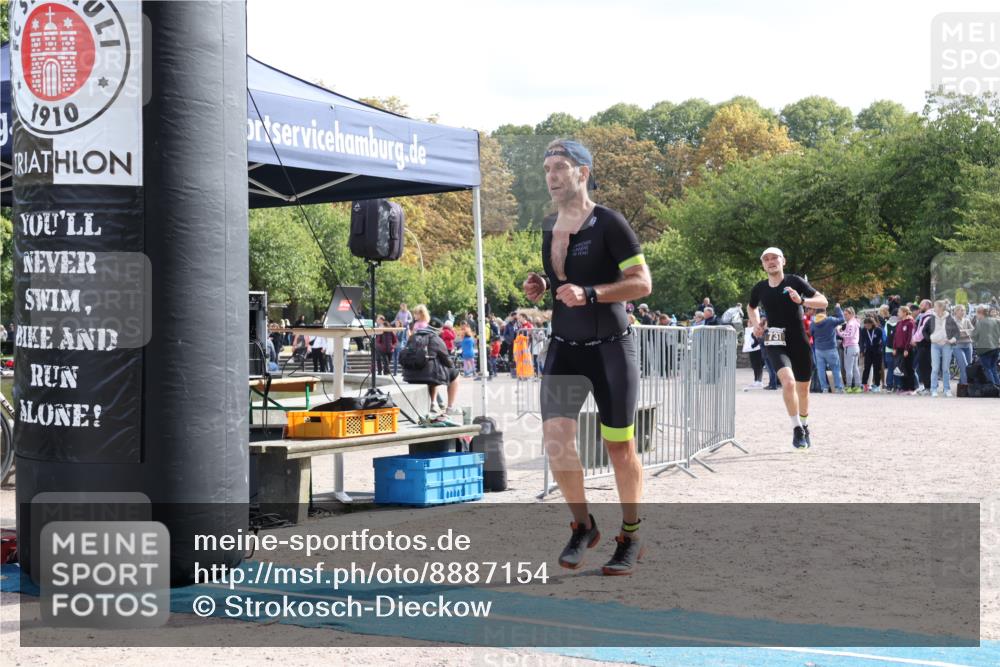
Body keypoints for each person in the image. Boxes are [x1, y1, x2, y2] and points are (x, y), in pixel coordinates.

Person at [522, 139, 652, 575]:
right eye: (547, 169)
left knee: (619, 447)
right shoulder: (548, 226)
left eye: (560, 167)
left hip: (610, 349)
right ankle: (583, 526)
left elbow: (642, 283)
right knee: (556, 441)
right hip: (565, 348)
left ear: (583, 172)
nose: (551, 176)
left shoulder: (609, 222)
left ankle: (631, 535)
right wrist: (544, 284)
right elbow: (568, 278)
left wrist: (591, 293)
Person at [747, 247, 829, 449]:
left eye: (774, 258)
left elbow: (823, 301)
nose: (770, 261)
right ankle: (797, 429)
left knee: (803, 390)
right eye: (766, 259)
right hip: (775, 339)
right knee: (788, 383)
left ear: (783, 261)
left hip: (798, 339)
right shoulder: (760, 288)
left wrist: (802, 300)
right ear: (763, 264)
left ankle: (805, 424)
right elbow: (751, 307)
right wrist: (756, 324)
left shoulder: (795, 281)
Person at [400, 317, 462, 421]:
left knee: (431, 372)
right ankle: (450, 407)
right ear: (440, 329)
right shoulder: (436, 339)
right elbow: (446, 360)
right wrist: (451, 366)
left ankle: (434, 403)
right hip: (428, 376)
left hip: (409, 375)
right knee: (454, 374)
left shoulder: (413, 336)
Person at [925, 300, 959, 397]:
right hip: (935, 345)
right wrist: (930, 338)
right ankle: (933, 389)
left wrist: (951, 340)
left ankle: (947, 389)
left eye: (935, 306)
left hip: (946, 345)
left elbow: (957, 332)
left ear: (940, 308)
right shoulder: (931, 318)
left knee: (945, 369)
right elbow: (924, 331)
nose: (933, 308)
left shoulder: (949, 318)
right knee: (935, 368)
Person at [810, 304, 845, 393]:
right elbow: (842, 319)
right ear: (824, 312)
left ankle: (824, 388)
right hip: (831, 348)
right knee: (835, 368)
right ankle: (838, 388)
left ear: (816, 313)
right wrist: (838, 308)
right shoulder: (830, 320)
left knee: (821, 369)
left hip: (818, 349)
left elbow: (811, 334)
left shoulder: (813, 323)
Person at [972, 306, 1000, 386]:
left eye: (977, 313)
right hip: (996, 348)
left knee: (987, 369)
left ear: (980, 313)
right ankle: (998, 386)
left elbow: (974, 336)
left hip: (985, 349)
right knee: (993, 368)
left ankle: (993, 387)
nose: (976, 315)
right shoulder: (996, 321)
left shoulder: (980, 323)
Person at [837, 307, 862, 393]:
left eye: (846, 314)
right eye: (844, 314)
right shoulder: (855, 322)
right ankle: (858, 386)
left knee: (848, 368)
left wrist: (839, 331)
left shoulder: (851, 323)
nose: (844, 316)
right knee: (855, 367)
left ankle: (849, 387)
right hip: (855, 346)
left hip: (850, 347)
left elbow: (849, 335)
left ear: (851, 314)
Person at [892, 306, 917, 393]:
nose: (898, 313)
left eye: (899, 312)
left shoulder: (910, 323)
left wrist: (907, 349)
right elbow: (895, 337)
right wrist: (894, 347)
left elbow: (910, 337)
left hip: (907, 349)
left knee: (909, 368)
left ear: (905, 312)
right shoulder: (899, 323)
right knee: (901, 369)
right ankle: (904, 387)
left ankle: (911, 388)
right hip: (899, 349)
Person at [859, 316, 885, 392]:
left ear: (872, 324)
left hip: (877, 352)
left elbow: (883, 340)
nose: (866, 326)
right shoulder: (864, 330)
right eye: (865, 324)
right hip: (868, 352)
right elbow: (861, 341)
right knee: (866, 368)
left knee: (877, 369)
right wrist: (862, 351)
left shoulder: (878, 330)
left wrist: (881, 346)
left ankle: (877, 385)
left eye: (868, 324)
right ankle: (864, 384)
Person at [952, 305, 975, 386]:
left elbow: (973, 331)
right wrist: (967, 332)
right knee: (964, 366)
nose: (963, 312)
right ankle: (965, 386)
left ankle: (962, 385)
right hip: (957, 346)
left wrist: (963, 332)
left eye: (964, 310)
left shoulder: (967, 320)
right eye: (961, 310)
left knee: (969, 367)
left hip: (968, 345)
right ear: (956, 311)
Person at [742, 322, 764, 390]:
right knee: (754, 366)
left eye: (750, 322)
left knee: (758, 365)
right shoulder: (748, 330)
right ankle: (756, 380)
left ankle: (759, 381)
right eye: (748, 322)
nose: (748, 323)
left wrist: (752, 346)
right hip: (752, 350)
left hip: (757, 350)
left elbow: (757, 340)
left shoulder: (754, 329)